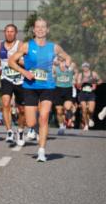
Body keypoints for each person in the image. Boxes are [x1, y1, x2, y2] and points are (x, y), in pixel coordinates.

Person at [8, 18, 74, 162]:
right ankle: (36, 130)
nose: (40, 29)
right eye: (38, 27)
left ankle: (42, 151)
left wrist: (66, 64)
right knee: (31, 122)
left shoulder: (54, 47)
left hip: (48, 86)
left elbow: (67, 57)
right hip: (30, 86)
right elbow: (11, 61)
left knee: (44, 117)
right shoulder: (27, 46)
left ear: (47, 30)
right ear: (34, 30)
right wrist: (24, 72)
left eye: (43, 27)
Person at [0, 24, 27, 145]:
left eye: (12, 31)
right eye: (7, 31)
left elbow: (28, 62)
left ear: (16, 33)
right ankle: (9, 131)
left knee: (22, 110)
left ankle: (20, 131)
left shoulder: (21, 45)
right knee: (5, 104)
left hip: (20, 80)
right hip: (6, 78)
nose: (9, 33)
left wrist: (21, 62)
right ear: (4, 32)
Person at [53, 56, 77, 134]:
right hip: (58, 90)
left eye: (63, 60)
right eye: (59, 60)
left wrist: (74, 78)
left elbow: (74, 68)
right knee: (59, 111)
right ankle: (61, 126)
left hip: (68, 89)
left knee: (67, 107)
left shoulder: (71, 66)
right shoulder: (55, 68)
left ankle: (70, 114)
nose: (61, 62)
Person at [76, 62, 101, 130]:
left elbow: (100, 81)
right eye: (84, 67)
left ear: (89, 67)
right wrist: (81, 83)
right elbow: (77, 85)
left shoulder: (93, 74)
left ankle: (91, 117)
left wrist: (95, 83)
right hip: (82, 94)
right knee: (84, 110)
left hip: (91, 94)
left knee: (91, 110)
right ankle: (86, 125)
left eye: (86, 66)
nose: (85, 68)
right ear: (82, 67)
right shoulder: (80, 75)